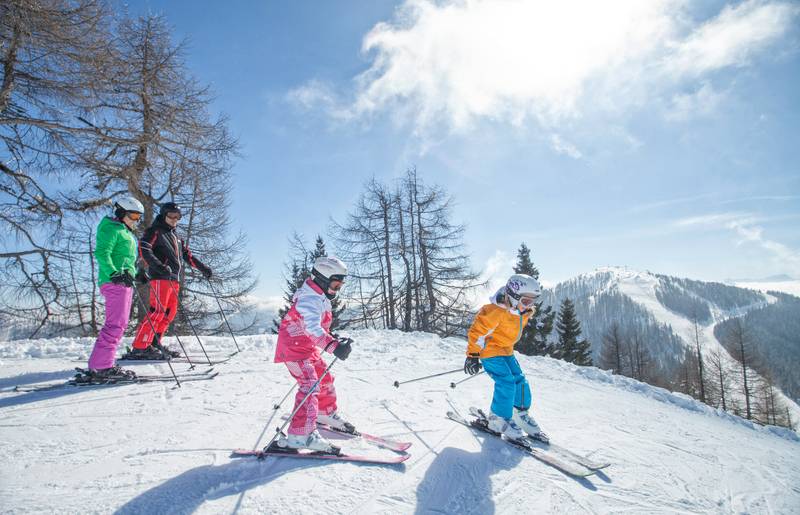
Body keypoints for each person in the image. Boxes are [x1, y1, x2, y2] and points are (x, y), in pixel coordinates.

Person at [273, 256, 354, 453]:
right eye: (335, 285)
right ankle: (300, 436)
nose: (336, 290)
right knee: (310, 384)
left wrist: (332, 337)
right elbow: (311, 328)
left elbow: (317, 327)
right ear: (323, 279)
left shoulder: (319, 296)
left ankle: (324, 413)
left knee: (324, 378)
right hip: (293, 350)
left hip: (306, 348)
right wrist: (333, 346)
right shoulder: (308, 299)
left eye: (339, 286)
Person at [464, 274, 546, 441]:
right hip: (490, 351)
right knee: (506, 381)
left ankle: (520, 413)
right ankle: (498, 419)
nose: (529, 306)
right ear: (514, 297)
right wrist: (473, 355)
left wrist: (524, 306)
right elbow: (477, 333)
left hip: (506, 350)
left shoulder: (522, 310)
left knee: (520, 380)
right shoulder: (495, 311)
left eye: (532, 301)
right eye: (526, 301)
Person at [127, 202, 212, 359]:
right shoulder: (155, 231)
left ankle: (154, 344)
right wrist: (159, 266)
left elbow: (187, 256)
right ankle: (140, 347)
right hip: (160, 277)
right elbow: (144, 248)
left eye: (177, 217)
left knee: (169, 314)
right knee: (157, 312)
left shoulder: (176, 236)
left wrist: (203, 268)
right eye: (171, 216)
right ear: (163, 215)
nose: (174, 219)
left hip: (174, 279)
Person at [86, 197, 145, 379]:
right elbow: (103, 253)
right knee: (115, 325)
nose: (137, 220)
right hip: (114, 282)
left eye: (139, 217)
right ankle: (101, 367)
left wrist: (136, 274)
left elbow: (124, 259)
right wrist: (114, 273)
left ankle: (102, 364)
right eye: (134, 215)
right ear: (121, 212)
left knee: (120, 324)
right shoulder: (111, 228)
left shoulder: (124, 231)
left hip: (123, 282)